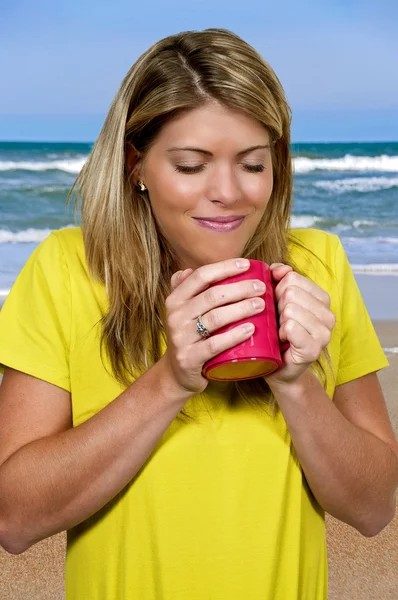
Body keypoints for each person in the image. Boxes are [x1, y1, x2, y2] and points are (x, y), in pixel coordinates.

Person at [0, 28, 397, 600]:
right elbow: (14, 519)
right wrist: (171, 380)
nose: (228, 192)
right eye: (191, 165)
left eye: (253, 164)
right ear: (136, 164)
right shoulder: (67, 270)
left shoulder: (319, 264)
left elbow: (373, 508)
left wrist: (296, 383)